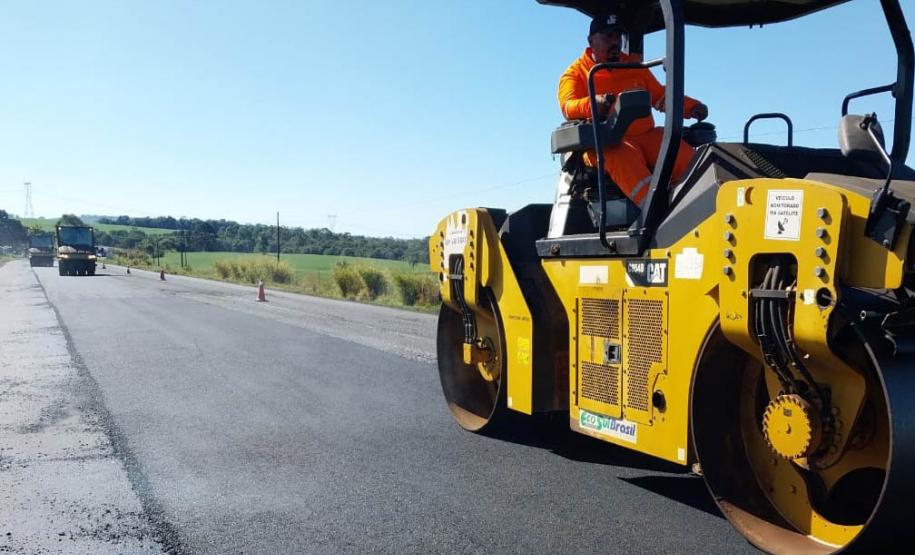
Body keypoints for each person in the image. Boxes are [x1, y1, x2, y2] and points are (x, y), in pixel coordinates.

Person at [558, 15, 708, 208]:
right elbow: (568, 106)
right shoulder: (576, 74)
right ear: (591, 41)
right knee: (623, 157)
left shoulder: (634, 66)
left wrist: (691, 106)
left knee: (679, 151)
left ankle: (702, 203)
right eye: (608, 36)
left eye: (618, 37)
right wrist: (593, 104)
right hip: (607, 142)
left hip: (645, 135)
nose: (614, 42)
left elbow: (660, 95)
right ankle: (656, 212)